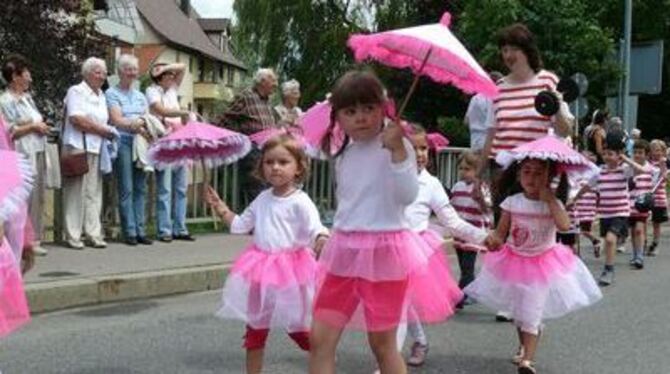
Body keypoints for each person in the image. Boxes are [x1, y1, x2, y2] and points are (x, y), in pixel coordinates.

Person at [308, 70, 491, 374]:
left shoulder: (398, 145)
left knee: (382, 345)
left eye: (368, 108)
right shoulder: (344, 152)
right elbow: (348, 202)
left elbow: (406, 196)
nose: (361, 117)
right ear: (337, 117)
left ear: (384, 108)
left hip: (384, 253)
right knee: (320, 339)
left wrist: (396, 151)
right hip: (343, 249)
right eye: (350, 111)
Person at [465, 157, 602, 374]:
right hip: (514, 261)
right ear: (519, 175)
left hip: (543, 264)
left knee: (532, 312)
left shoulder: (553, 203)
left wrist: (550, 200)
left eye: (539, 173)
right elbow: (501, 234)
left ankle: (527, 361)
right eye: (527, 172)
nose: (532, 178)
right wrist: (491, 242)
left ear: (550, 177)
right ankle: (524, 346)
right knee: (520, 313)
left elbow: (565, 225)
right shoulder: (512, 202)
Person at [205, 134, 328, 374]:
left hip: (292, 273)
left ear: (298, 168)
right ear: (262, 166)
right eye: (269, 162)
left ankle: (323, 361)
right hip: (260, 270)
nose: (275, 167)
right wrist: (221, 208)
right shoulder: (262, 198)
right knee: (255, 330)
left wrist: (322, 238)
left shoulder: (301, 201)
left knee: (298, 330)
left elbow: (316, 228)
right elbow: (240, 225)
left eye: (283, 162)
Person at [395, 126, 491, 368]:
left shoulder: (431, 183)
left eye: (423, 148)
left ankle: (390, 362)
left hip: (414, 250)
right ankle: (420, 340)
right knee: (399, 302)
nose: (419, 153)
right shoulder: (388, 175)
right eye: (412, 147)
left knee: (399, 303)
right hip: (386, 247)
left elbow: (452, 221)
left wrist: (482, 237)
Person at [479, 24, 573, 208]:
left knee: (536, 228)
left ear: (527, 51)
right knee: (503, 230)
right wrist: (478, 174)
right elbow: (491, 134)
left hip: (536, 169)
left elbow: (565, 130)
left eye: (514, 49)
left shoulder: (548, 81)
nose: (508, 55)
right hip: (503, 171)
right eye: (504, 50)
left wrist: (557, 108)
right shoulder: (498, 88)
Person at [571, 141, 647, 286]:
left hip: (621, 212)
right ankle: (611, 260)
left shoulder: (624, 170)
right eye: (605, 154)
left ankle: (608, 270)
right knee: (608, 242)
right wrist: (574, 199)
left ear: (618, 156)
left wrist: (624, 158)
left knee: (611, 240)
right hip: (605, 213)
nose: (607, 156)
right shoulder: (599, 171)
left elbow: (641, 170)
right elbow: (587, 187)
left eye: (610, 154)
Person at [62, 57, 116, 249]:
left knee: (94, 191)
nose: (102, 76)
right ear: (87, 73)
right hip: (78, 146)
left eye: (104, 72)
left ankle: (93, 233)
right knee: (76, 192)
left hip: (97, 147)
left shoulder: (102, 95)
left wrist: (105, 131)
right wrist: (102, 130)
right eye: (98, 72)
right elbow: (77, 119)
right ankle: (73, 235)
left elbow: (102, 121)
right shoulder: (76, 91)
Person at [0, 54, 51, 255]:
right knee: (22, 199)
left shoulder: (28, 99)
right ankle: (19, 241)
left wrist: (39, 126)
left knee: (38, 197)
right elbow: (9, 130)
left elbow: (35, 120)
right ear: (15, 76)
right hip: (20, 154)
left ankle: (34, 240)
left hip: (37, 149)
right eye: (26, 73)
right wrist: (33, 127)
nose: (30, 77)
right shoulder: (5, 100)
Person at [106, 54, 153, 246]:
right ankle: (130, 231)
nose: (132, 73)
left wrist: (141, 125)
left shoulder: (140, 96)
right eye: (128, 69)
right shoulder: (111, 93)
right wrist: (136, 124)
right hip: (124, 141)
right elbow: (116, 119)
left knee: (141, 187)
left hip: (140, 142)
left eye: (134, 69)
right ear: (120, 72)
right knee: (126, 187)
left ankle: (141, 230)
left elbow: (147, 118)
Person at [145, 62, 194, 242]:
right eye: (168, 75)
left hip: (179, 142)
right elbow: (160, 110)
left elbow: (183, 67)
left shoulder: (172, 90)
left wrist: (170, 67)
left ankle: (180, 227)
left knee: (181, 188)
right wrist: (181, 113)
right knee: (165, 188)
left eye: (172, 75)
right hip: (164, 141)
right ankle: (164, 229)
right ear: (160, 77)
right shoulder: (152, 91)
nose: (172, 77)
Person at [219, 68, 278, 205]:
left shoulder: (267, 101)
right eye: (273, 80)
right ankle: (257, 222)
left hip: (269, 149)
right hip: (253, 150)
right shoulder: (246, 96)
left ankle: (267, 222)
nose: (276, 84)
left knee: (270, 187)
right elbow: (225, 117)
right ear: (262, 81)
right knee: (257, 188)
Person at [450, 150, 493, 307]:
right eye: (461, 168)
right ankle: (473, 292)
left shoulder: (482, 188)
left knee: (467, 267)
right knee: (463, 266)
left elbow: (488, 210)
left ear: (477, 171)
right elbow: (450, 207)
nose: (463, 172)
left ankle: (458, 297)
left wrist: (480, 199)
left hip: (474, 234)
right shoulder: (457, 186)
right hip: (459, 233)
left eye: (467, 169)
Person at [626, 140, 659, 269]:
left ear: (647, 154)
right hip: (629, 204)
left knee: (639, 230)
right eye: (635, 152)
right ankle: (635, 254)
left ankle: (639, 257)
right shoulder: (628, 169)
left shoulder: (651, 169)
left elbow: (653, 186)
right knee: (633, 231)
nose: (637, 155)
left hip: (642, 205)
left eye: (640, 152)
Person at [464, 71, 503, 151]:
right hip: (489, 141)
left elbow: (466, 121)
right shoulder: (494, 98)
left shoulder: (475, 98)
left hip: (475, 140)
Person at [648, 139, 669, 256]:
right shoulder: (647, 163)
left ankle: (655, 244)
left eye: (659, 150)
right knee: (642, 221)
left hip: (659, 197)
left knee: (656, 223)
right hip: (646, 197)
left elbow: (665, 178)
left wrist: (662, 165)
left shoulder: (664, 163)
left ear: (663, 151)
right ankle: (643, 243)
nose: (656, 153)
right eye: (654, 150)